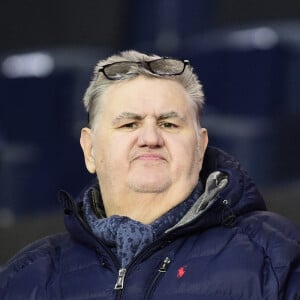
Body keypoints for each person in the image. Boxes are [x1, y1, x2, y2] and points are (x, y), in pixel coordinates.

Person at [0, 50, 300, 299]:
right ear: (89, 149)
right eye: (129, 124)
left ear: (200, 146)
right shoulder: (26, 280)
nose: (150, 137)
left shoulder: (276, 255)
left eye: (169, 124)